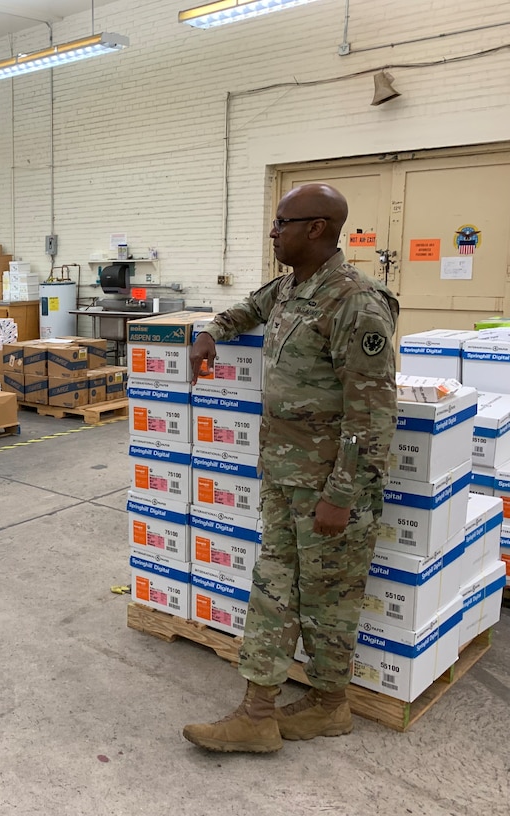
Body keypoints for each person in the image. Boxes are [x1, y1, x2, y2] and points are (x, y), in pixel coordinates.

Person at [182, 184, 398, 753]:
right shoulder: (290, 288)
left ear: (317, 228)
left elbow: (371, 411)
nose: (273, 232)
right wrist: (210, 333)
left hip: (330, 484)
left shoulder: (356, 303)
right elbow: (247, 308)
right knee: (274, 588)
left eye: (282, 222)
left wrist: (342, 493)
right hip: (283, 475)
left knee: (329, 597)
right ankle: (256, 714)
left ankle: (330, 705)